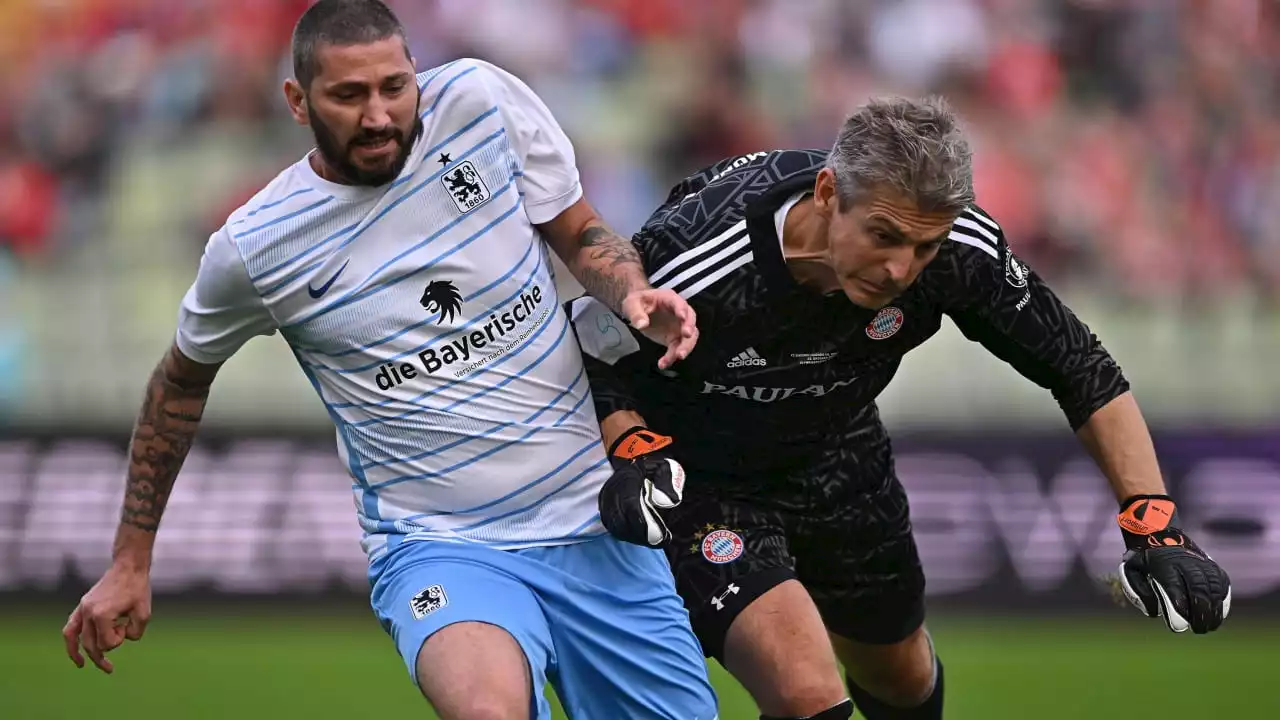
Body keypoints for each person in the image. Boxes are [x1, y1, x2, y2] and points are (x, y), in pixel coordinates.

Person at [60, 2, 720, 719]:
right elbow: (179, 383)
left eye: (394, 88)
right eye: (348, 95)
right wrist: (131, 559)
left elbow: (579, 228)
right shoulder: (256, 248)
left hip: (595, 517)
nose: (378, 115)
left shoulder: (481, 103)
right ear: (297, 101)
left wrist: (630, 291)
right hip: (441, 546)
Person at [570, 96, 1232, 720]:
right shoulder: (693, 257)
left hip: (839, 454)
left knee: (903, 679)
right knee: (808, 694)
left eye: (924, 246)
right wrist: (631, 449)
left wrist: (1154, 525)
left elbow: (1081, 369)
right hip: (703, 479)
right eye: (883, 236)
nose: (899, 270)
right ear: (828, 193)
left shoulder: (960, 252)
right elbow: (596, 356)